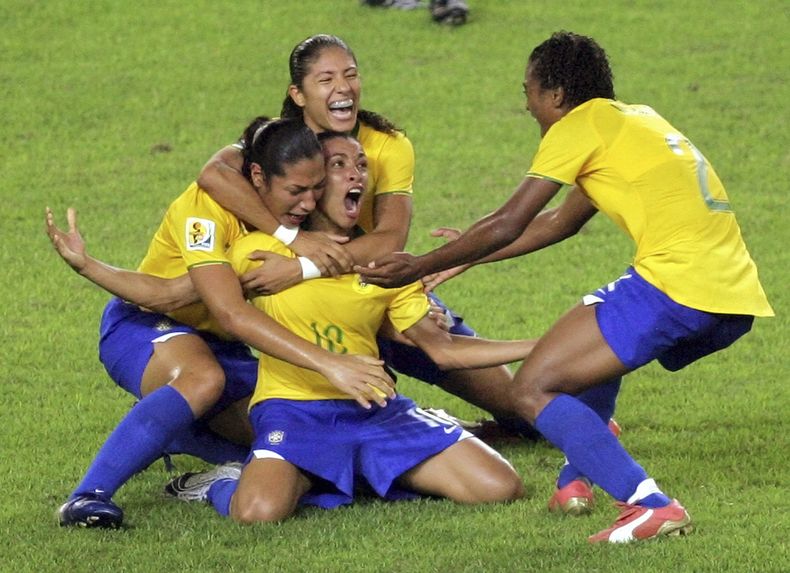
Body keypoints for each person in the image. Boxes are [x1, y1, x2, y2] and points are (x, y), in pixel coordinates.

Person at [356, 31, 774, 543]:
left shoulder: (577, 126)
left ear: (555, 95)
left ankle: (649, 505)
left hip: (675, 284)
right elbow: (560, 223)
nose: (528, 105)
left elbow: (511, 220)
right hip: (730, 292)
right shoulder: (632, 118)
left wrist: (420, 263)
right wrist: (464, 258)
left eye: (529, 91)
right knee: (589, 353)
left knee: (532, 388)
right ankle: (574, 480)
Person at [164, 131, 528, 522]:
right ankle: (222, 481)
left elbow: (442, 349)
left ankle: (344, 469)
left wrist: (539, 345)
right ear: (316, 183)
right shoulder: (264, 252)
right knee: (257, 513)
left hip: (373, 409)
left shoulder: (383, 263)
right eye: (339, 165)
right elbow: (228, 311)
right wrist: (92, 267)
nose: (356, 175)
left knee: (499, 486)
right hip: (293, 410)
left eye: (362, 165)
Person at [49, 118, 394, 529]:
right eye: (296, 192)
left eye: (315, 188)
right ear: (258, 177)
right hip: (147, 325)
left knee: (298, 433)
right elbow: (170, 296)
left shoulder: (288, 209)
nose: (307, 203)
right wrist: (87, 265)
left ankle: (181, 436)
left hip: (226, 345)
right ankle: (87, 496)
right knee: (202, 377)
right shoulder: (204, 212)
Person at [198, 33, 544, 441]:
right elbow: (213, 174)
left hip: (378, 288)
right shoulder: (275, 144)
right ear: (299, 94)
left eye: (350, 75)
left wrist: (304, 266)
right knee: (242, 408)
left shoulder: (388, 144)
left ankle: (442, 423)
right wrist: (290, 239)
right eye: (326, 80)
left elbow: (390, 239)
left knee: (522, 409)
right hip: (307, 310)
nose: (343, 88)